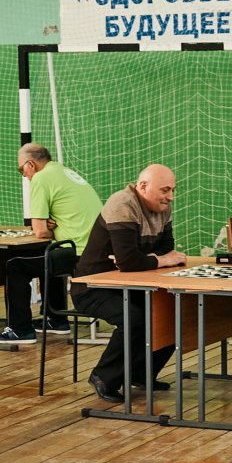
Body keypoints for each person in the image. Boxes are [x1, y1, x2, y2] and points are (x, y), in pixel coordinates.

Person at [71, 165, 187, 403]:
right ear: (142, 186)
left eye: (172, 190)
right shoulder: (122, 204)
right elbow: (130, 260)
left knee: (172, 312)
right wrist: (150, 260)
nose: (170, 197)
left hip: (129, 284)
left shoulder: (163, 207)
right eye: (165, 190)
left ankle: (140, 373)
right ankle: (103, 376)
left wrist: (141, 259)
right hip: (92, 288)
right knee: (134, 318)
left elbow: (165, 247)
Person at [0, 143, 104, 344]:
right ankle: (56, 320)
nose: (24, 176)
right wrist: (53, 224)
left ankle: (20, 330)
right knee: (47, 255)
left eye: (21, 170)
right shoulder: (63, 171)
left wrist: (49, 227)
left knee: (14, 265)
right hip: (94, 249)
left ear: (31, 164)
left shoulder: (41, 178)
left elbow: (40, 231)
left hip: (76, 252)